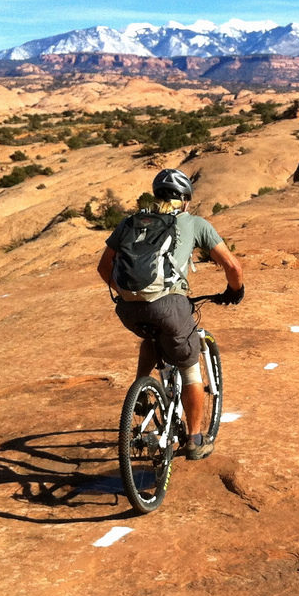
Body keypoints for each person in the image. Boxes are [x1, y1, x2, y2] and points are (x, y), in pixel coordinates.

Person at [96, 168, 243, 460]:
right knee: (189, 368)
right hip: (169, 306)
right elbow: (233, 267)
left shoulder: (130, 223)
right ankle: (195, 439)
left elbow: (103, 267)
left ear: (156, 196)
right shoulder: (196, 223)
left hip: (127, 309)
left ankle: (141, 392)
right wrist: (234, 291)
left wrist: (130, 293)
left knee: (150, 335)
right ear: (185, 200)